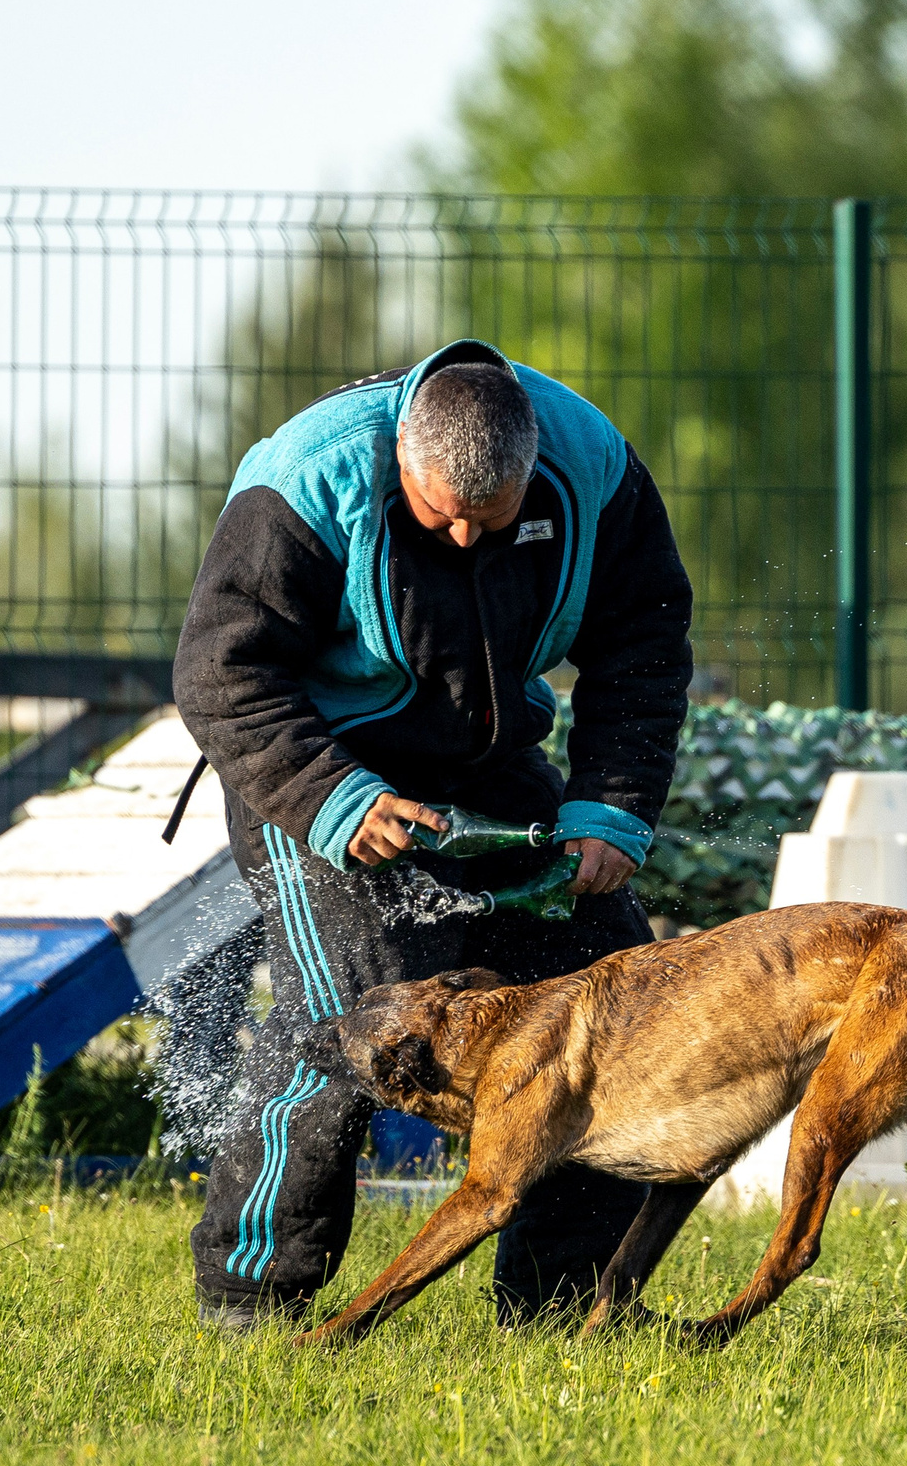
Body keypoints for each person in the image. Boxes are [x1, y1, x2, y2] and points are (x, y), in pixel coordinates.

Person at [172, 338, 694, 1330]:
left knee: (608, 1010)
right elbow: (219, 672)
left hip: (487, 758)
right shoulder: (308, 479)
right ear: (399, 460)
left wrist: (608, 806)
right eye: (437, 511)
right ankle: (253, 1303)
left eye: (488, 516)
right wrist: (334, 798)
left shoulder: (593, 468)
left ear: (531, 470)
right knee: (349, 1022)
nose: (461, 537)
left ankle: (564, 1304)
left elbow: (644, 640)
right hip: (315, 759)